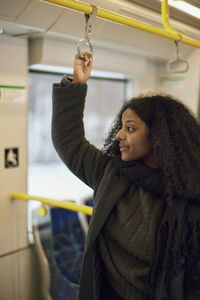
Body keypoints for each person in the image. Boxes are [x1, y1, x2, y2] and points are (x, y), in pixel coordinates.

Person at [52, 52, 200, 300]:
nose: (119, 135)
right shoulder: (110, 173)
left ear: (158, 137)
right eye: (121, 127)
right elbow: (69, 142)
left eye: (130, 128)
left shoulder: (190, 195)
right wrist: (77, 84)